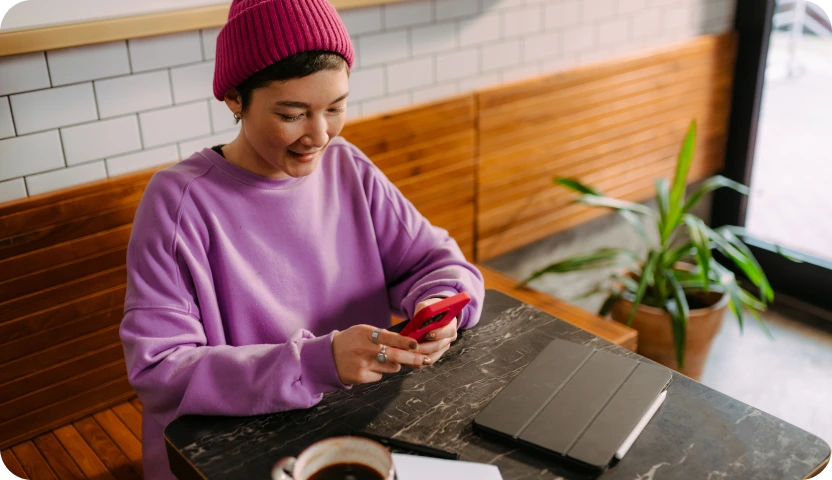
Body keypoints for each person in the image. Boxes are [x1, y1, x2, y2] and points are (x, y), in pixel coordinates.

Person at [119, 0, 485, 477]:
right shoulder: (178, 202)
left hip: (356, 427)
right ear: (234, 97)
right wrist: (315, 362)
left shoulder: (346, 165)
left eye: (335, 108)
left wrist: (439, 305)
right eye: (292, 114)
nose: (319, 135)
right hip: (232, 448)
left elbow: (433, 262)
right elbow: (160, 369)